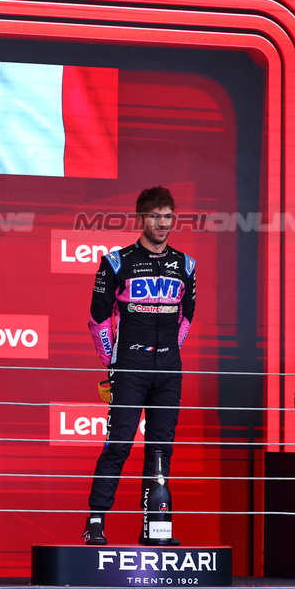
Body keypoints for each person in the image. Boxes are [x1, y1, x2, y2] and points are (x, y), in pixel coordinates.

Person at [82, 186, 196, 546]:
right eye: (155, 216)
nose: (162, 224)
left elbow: (187, 318)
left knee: (161, 448)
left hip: (168, 372)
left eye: (167, 216)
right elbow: (98, 320)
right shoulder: (117, 262)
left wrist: (165, 355)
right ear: (141, 218)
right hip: (129, 367)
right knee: (118, 445)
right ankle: (96, 522)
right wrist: (112, 362)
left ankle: (155, 527)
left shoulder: (186, 264)